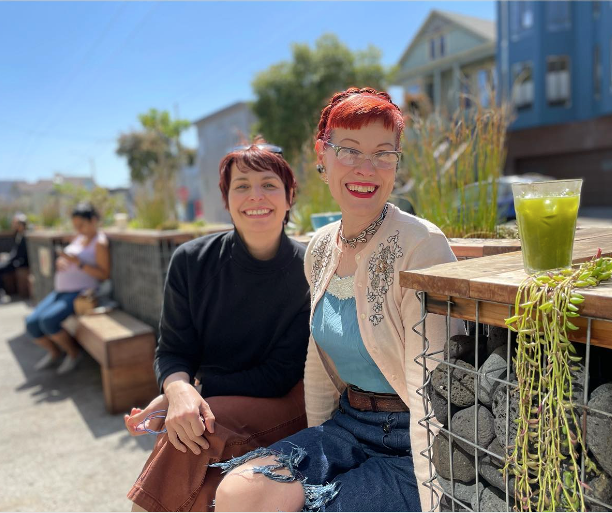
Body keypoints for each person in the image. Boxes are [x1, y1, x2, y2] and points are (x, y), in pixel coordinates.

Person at [212, 87, 465, 512]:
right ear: (322, 156)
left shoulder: (421, 246)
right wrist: (317, 447)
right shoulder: (321, 247)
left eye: (384, 153)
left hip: (410, 439)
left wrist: (435, 490)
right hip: (348, 425)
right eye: (349, 150)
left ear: (397, 164)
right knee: (239, 492)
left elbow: (434, 383)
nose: (367, 168)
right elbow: (317, 359)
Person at [124, 140, 311, 512]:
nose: (255, 195)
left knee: (198, 426)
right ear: (226, 200)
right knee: (203, 485)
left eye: (269, 184)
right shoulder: (191, 262)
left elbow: (278, 374)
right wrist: (178, 389)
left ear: (290, 196)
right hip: (214, 404)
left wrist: (186, 394)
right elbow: (174, 349)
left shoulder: (309, 270)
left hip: (285, 400)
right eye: (241, 185)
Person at [25, 203, 110, 374]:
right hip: (60, 291)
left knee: (48, 321)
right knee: (31, 323)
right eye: (75, 226)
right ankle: (55, 353)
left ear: (93, 220)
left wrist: (76, 262)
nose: (78, 229)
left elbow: (103, 274)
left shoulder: (99, 242)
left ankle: (73, 354)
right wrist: (61, 261)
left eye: (81, 225)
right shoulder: (79, 237)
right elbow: (70, 257)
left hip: (81, 292)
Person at [0, 212, 29, 304]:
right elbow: (15, 252)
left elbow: (19, 255)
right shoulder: (18, 234)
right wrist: (7, 256)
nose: (15, 225)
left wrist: (8, 258)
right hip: (14, 259)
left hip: (19, 262)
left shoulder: (24, 236)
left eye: (17, 224)